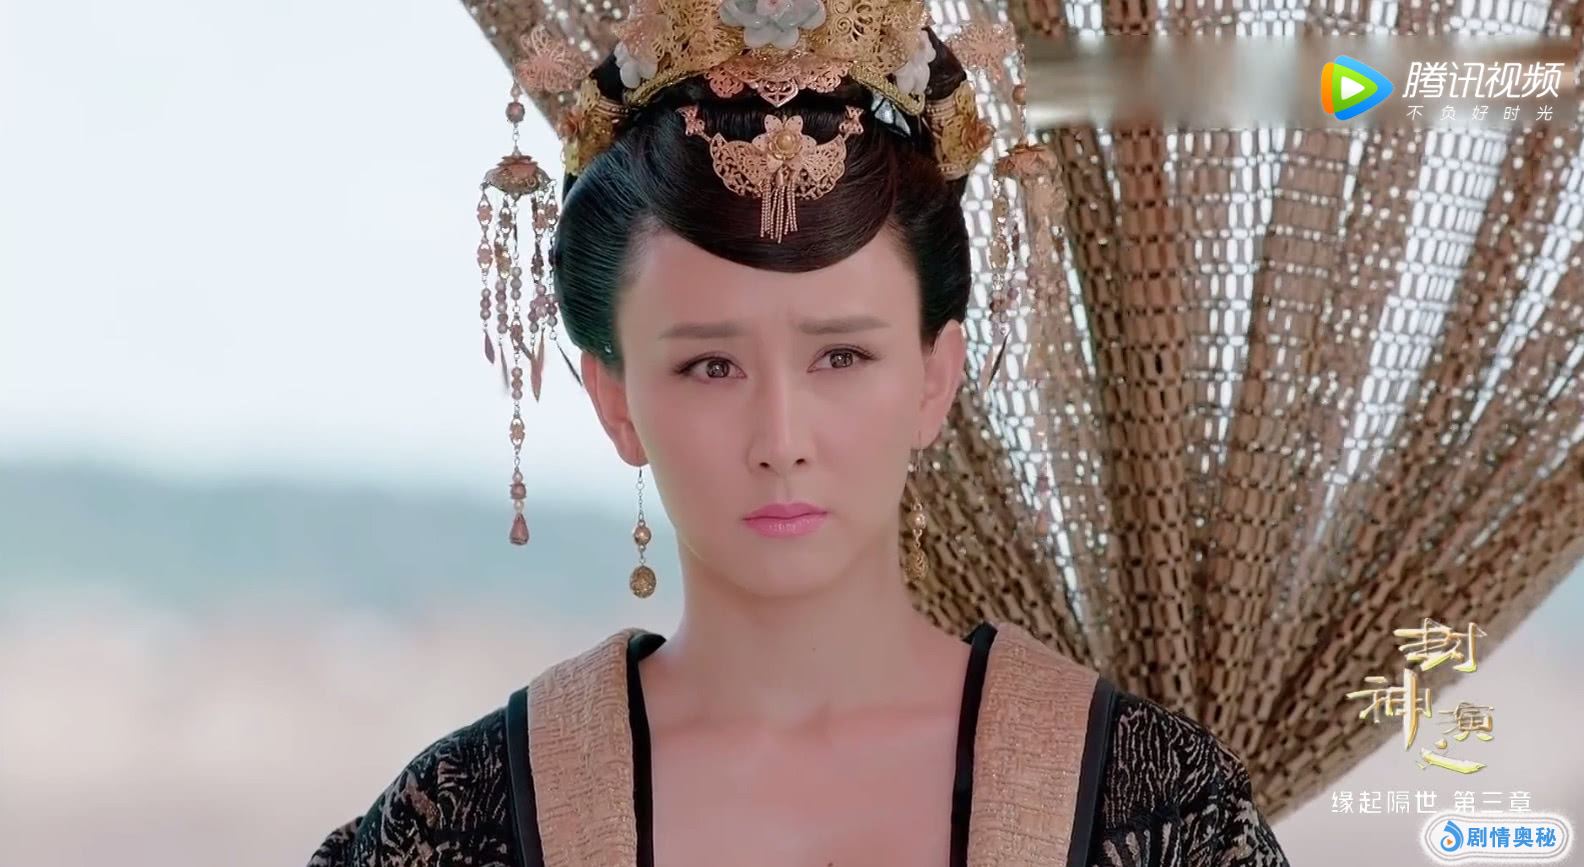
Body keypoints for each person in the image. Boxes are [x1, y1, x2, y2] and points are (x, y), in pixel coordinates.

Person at [310, 1, 1291, 864]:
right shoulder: (459, 821)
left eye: (841, 357)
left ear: (935, 376)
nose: (781, 438)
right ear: (615, 399)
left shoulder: (1155, 806)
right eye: (710, 366)